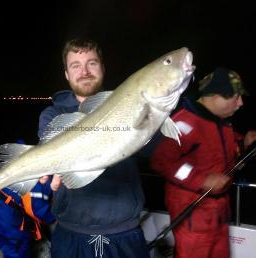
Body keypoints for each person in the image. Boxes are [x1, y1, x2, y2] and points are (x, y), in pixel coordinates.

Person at [38, 38, 150, 258]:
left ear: (102, 68)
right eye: (76, 65)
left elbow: (150, 149)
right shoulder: (52, 115)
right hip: (71, 234)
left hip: (125, 233)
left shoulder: (130, 105)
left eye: (92, 63)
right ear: (67, 74)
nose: (85, 71)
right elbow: (52, 148)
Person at [150, 67, 256, 258]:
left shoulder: (223, 122)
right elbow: (162, 162)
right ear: (215, 96)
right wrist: (201, 180)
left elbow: (222, 149)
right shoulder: (184, 123)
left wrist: (243, 141)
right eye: (235, 96)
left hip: (220, 214)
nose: (240, 103)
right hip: (193, 215)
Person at [0, 140, 56, 258]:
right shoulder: (44, 176)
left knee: (6, 245)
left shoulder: (24, 158)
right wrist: (53, 218)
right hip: (7, 216)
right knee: (19, 248)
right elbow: (36, 210)